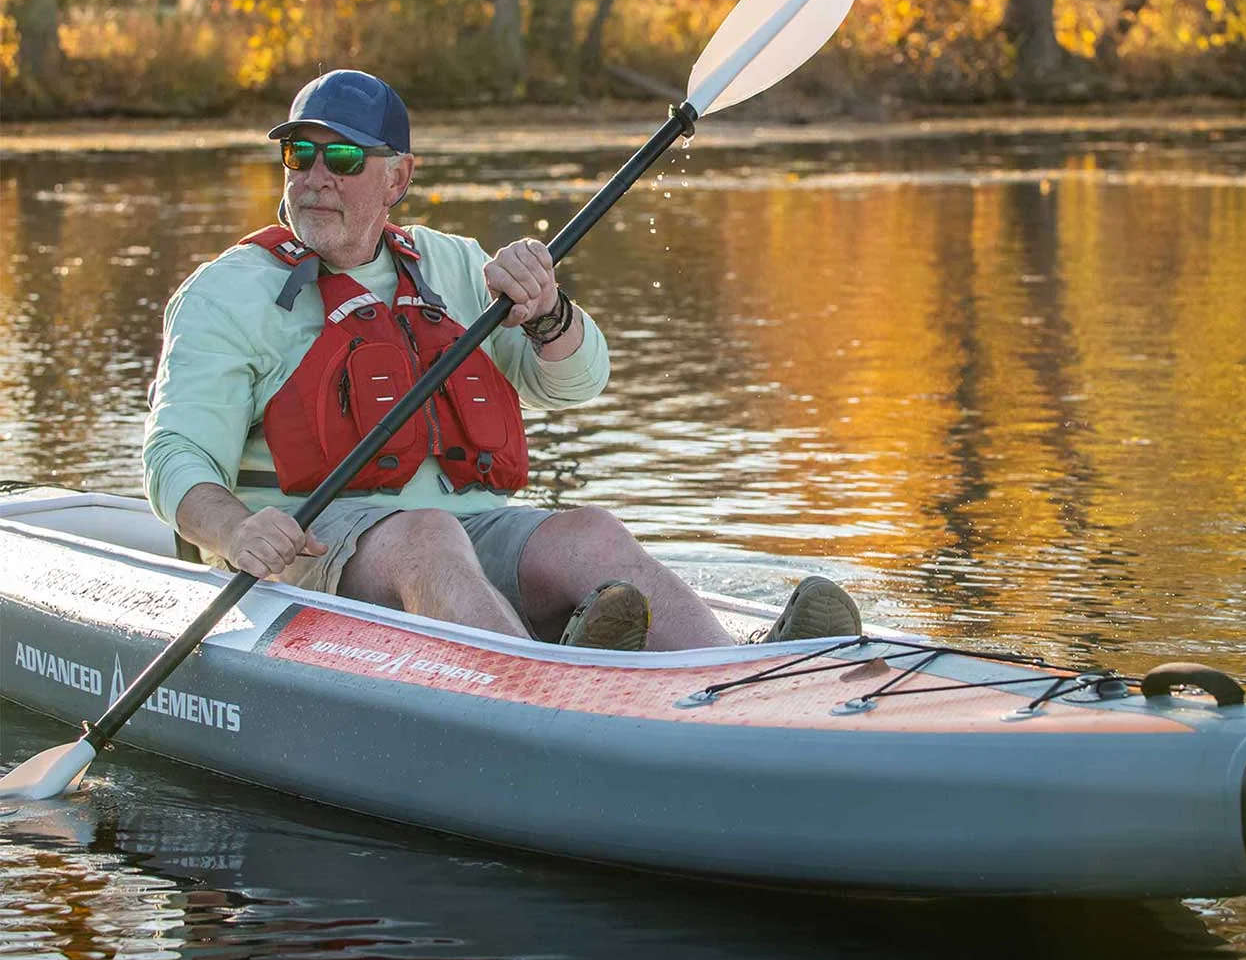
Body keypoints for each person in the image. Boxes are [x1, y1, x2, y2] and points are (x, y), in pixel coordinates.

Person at [142, 69, 861, 652]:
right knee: (427, 539)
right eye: (300, 155)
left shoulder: (450, 266)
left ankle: (729, 672)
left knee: (591, 535)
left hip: (465, 539)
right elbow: (175, 456)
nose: (316, 177)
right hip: (310, 549)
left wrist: (547, 311)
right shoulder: (228, 293)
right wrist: (235, 530)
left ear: (397, 178)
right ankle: (542, 692)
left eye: (344, 157)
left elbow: (575, 385)